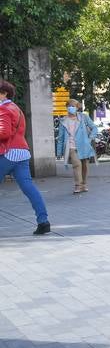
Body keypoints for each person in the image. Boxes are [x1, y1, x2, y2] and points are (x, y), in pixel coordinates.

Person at [0, 79, 50, 235]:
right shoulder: (16, 108)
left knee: (28, 188)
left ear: (3, 93)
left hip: (8, 153)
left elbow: (4, 132)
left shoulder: (3, 109)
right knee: (29, 188)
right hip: (22, 152)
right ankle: (43, 222)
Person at [56, 102, 100, 194]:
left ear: (77, 107)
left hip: (84, 145)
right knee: (77, 165)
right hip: (70, 146)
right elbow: (60, 138)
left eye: (73, 106)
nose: (70, 108)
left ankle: (84, 184)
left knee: (85, 166)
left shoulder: (83, 117)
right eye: (69, 106)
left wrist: (90, 138)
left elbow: (94, 128)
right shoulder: (63, 120)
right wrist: (59, 152)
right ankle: (78, 185)